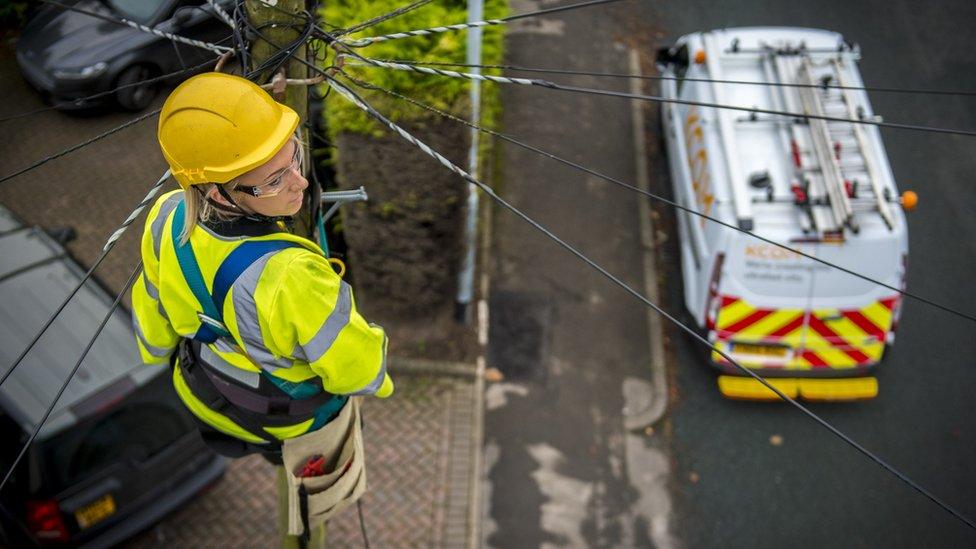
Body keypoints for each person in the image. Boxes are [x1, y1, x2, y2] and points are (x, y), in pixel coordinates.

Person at [130, 72, 391, 546]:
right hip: (282, 418)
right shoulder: (291, 277)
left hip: (201, 389)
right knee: (310, 501)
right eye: (274, 179)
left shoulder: (165, 216)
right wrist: (380, 377)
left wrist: (154, 354)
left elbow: (153, 308)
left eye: (293, 150)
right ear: (215, 191)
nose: (300, 180)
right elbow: (359, 371)